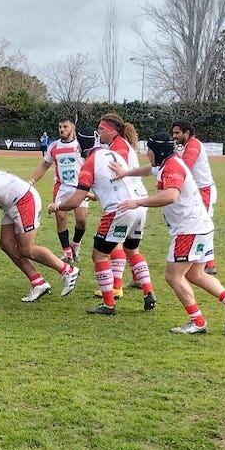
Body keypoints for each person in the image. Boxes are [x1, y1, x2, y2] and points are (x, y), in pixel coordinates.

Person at [116, 136, 225, 335]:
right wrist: (126, 173)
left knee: (173, 276)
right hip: (201, 227)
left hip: (189, 231)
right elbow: (147, 169)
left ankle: (198, 321)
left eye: (149, 150)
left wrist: (138, 202)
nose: (146, 154)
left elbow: (171, 195)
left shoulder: (171, 168)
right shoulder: (164, 163)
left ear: (158, 152)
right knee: (195, 274)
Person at [49, 114, 154, 316]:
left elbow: (75, 201)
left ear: (80, 147)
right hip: (140, 204)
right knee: (132, 250)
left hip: (120, 208)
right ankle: (148, 292)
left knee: (99, 255)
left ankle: (109, 303)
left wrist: (58, 206)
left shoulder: (90, 162)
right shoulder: (113, 153)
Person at [0, 157, 80, 302]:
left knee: (27, 249)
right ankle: (38, 282)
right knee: (7, 245)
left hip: (23, 199)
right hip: (11, 203)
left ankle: (68, 270)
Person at [28, 117, 89, 262]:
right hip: (61, 187)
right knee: (60, 218)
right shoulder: (54, 146)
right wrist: (32, 181)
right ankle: (67, 253)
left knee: (81, 221)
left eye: (65, 127)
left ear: (72, 128)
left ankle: (75, 244)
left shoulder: (81, 145)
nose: (62, 129)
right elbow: (44, 165)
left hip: (80, 187)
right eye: (60, 127)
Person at [170, 121, 218, 275]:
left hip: (204, 190)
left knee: (203, 223)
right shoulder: (186, 145)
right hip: (196, 191)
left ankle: (209, 262)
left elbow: (185, 166)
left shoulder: (193, 144)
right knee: (199, 223)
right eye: (173, 133)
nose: (174, 136)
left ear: (187, 133)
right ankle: (204, 261)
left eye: (177, 133)